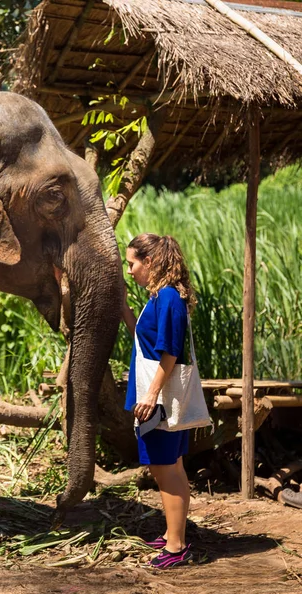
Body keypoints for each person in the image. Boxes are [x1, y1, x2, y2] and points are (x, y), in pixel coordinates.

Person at [123, 233, 197, 569]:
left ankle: (177, 546)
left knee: (166, 468)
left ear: (150, 261)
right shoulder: (159, 298)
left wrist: (151, 395)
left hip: (162, 398)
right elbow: (144, 341)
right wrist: (123, 306)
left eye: (132, 263)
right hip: (159, 396)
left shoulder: (168, 298)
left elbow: (170, 351)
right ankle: (172, 535)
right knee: (168, 466)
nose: (130, 270)